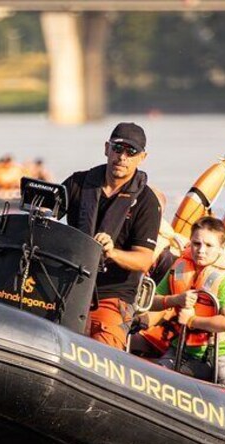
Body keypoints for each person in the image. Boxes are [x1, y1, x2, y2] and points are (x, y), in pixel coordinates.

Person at [62, 122, 162, 350]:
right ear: (107, 148)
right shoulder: (77, 183)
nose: (122, 157)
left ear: (142, 157)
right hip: (69, 285)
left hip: (112, 296)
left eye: (131, 152)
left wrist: (112, 252)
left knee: (103, 345)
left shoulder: (147, 202)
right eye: (118, 149)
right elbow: (47, 218)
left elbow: (144, 259)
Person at [149, 216, 225, 389]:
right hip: (183, 349)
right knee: (156, 380)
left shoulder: (224, 281)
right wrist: (175, 299)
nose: (201, 250)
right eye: (196, 244)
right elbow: (151, 301)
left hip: (222, 352)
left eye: (209, 245)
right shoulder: (179, 269)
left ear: (221, 248)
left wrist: (191, 320)